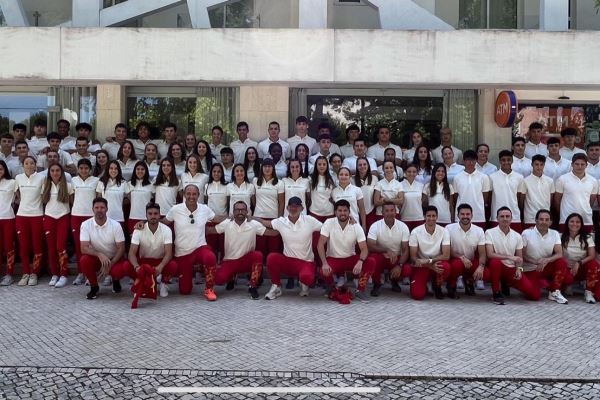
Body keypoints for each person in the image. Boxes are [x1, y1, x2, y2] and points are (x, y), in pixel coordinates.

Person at [256, 197, 323, 299]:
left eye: (297, 206)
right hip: (289, 262)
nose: (294, 208)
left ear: (302, 208)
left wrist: (348, 220)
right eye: (291, 206)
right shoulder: (281, 221)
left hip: (306, 262)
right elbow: (264, 222)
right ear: (287, 208)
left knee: (308, 278)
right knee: (272, 258)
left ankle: (303, 283)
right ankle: (276, 286)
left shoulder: (310, 220)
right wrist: (249, 217)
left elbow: (326, 227)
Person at [166, 185, 223, 299]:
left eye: (194, 194)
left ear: (198, 195)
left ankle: (209, 289)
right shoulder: (175, 209)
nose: (191, 196)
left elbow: (217, 218)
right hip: (183, 253)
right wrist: (144, 224)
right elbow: (164, 222)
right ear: (184, 195)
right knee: (185, 291)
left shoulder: (204, 209)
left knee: (210, 257)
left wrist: (235, 217)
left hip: (200, 248)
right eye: (188, 194)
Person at [317, 199, 376, 303]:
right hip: (333, 258)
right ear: (335, 212)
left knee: (371, 261)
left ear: (349, 212)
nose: (342, 213)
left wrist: (360, 261)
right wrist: (324, 263)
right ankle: (332, 287)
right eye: (340, 210)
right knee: (323, 270)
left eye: (345, 210)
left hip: (350, 258)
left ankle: (360, 290)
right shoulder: (329, 223)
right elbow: (320, 244)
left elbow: (364, 248)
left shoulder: (356, 226)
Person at [212, 201, 266, 300]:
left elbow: (271, 233)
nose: (240, 212)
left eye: (243, 210)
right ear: (233, 211)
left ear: (247, 212)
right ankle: (231, 278)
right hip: (230, 261)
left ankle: (253, 286)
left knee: (258, 255)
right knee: (219, 280)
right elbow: (212, 230)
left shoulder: (253, 224)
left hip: (246, 260)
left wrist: (284, 228)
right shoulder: (227, 223)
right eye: (237, 210)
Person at [485, 207, 539, 305]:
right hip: (496, 267)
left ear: (511, 218)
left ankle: (507, 283)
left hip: (511, 269)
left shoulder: (517, 236)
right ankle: (496, 293)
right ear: (497, 218)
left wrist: (519, 270)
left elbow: (519, 258)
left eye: (507, 216)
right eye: (502, 216)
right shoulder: (489, 232)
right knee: (495, 262)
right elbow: (490, 254)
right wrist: (509, 257)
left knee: (534, 295)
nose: (505, 219)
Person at [126, 202, 176, 307]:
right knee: (127, 266)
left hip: (159, 261)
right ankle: (139, 281)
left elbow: (169, 253)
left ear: (159, 215)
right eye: (150, 214)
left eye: (155, 213)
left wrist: (161, 267)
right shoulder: (138, 229)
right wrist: (136, 267)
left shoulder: (166, 230)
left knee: (173, 265)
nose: (153, 216)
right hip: (144, 262)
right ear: (146, 215)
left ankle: (163, 283)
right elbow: (131, 253)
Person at [79, 198, 129, 300]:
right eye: (96, 207)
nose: (99, 210)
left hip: (114, 258)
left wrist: (111, 263)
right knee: (84, 260)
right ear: (92, 209)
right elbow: (83, 248)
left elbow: (121, 248)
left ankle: (115, 280)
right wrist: (99, 254)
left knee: (121, 268)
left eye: (102, 207)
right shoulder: (85, 225)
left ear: (107, 209)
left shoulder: (116, 225)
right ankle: (94, 286)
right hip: (98, 259)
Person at [521, 209, 569, 304]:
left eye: (547, 220)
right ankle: (541, 283)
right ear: (536, 220)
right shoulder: (526, 233)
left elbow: (559, 253)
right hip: (529, 269)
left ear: (550, 222)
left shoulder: (554, 233)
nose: (544, 222)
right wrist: (536, 262)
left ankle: (554, 291)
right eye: (541, 219)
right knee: (534, 296)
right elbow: (521, 255)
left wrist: (547, 260)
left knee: (562, 263)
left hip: (545, 267)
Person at [408, 206, 453, 299]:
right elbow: (413, 257)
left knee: (446, 267)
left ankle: (437, 286)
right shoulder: (416, 232)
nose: (431, 218)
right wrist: (428, 265)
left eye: (433, 216)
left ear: (437, 217)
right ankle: (423, 285)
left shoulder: (444, 231)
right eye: (428, 216)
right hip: (422, 266)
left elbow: (446, 255)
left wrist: (429, 261)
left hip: (436, 263)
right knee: (417, 295)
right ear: (424, 217)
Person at [367, 202, 410, 296]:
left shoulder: (403, 226)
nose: (389, 213)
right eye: (386, 211)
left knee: (406, 269)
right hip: (381, 256)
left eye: (392, 210)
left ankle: (395, 281)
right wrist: (386, 250)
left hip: (396, 258)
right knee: (372, 259)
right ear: (382, 212)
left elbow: (406, 249)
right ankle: (377, 284)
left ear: (396, 212)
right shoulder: (375, 226)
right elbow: (370, 245)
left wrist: (400, 265)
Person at [15, 156, 45, 286]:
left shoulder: (41, 178)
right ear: (23, 165)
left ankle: (35, 273)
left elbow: (44, 196)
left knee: (37, 245)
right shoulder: (18, 178)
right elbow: (18, 195)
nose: (29, 165)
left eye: (31, 163)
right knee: (24, 246)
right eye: (26, 163)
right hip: (21, 216)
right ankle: (26, 272)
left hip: (37, 215)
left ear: (35, 165)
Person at [42, 163, 73, 288]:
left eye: (58, 170)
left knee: (61, 246)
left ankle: (63, 274)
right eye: (53, 171)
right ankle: (54, 274)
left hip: (63, 217)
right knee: (51, 248)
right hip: (49, 217)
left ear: (62, 172)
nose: (55, 173)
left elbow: (72, 202)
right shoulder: (45, 185)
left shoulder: (69, 186)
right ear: (49, 172)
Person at [447, 204, 487, 296]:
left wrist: (481, 267)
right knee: (457, 265)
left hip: (471, 261)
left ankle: (469, 282)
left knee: (486, 273)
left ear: (472, 215)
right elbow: (447, 250)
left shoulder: (479, 230)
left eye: (468, 214)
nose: (465, 216)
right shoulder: (449, 228)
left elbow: (482, 253)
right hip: (455, 260)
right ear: (458, 215)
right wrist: (461, 257)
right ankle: (451, 285)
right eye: (462, 214)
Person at [71, 159, 100, 285]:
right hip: (76, 216)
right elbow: (71, 198)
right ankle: (80, 273)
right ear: (78, 169)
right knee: (79, 246)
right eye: (81, 168)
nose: (83, 170)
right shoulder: (73, 181)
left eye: (86, 168)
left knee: (92, 246)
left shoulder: (96, 181)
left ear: (90, 169)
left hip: (90, 217)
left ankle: (91, 273)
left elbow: (98, 198)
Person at [560, 213, 600, 304]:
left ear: (581, 224)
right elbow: (559, 254)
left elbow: (592, 255)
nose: (575, 224)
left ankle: (588, 292)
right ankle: (567, 285)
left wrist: (578, 263)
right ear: (567, 223)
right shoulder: (560, 236)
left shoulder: (587, 237)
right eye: (572, 221)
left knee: (594, 264)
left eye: (578, 222)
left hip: (582, 267)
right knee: (564, 273)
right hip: (567, 268)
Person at [554, 153, 598, 233]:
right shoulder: (562, 179)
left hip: (586, 219)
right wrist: (562, 213)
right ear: (572, 164)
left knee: (587, 244)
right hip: (566, 219)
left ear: (586, 165)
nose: (580, 167)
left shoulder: (593, 181)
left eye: (582, 164)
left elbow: (591, 201)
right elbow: (557, 201)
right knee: (565, 244)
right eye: (577, 164)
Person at [253, 158, 284, 256]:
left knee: (273, 247)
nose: (267, 168)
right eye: (265, 166)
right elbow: (253, 199)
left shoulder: (279, 183)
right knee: (260, 246)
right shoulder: (255, 181)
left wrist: (279, 219)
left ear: (273, 168)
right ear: (262, 168)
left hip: (273, 218)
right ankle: (259, 268)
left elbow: (281, 202)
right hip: (258, 217)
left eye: (269, 166)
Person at [452, 150, 490, 229]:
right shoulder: (457, 177)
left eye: (473, 160)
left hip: (478, 215)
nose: (471, 163)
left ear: (476, 161)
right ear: (463, 161)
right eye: (468, 160)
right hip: (461, 216)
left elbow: (485, 197)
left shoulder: (484, 177)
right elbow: (455, 196)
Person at [488, 150, 524, 232]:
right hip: (496, 217)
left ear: (512, 161)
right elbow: (489, 197)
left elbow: (519, 197)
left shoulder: (519, 177)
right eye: (503, 160)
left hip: (514, 217)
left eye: (508, 160)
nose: (506, 162)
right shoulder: (492, 177)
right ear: (500, 161)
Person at [518, 155, 555, 229]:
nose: (539, 167)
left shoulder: (550, 181)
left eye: (541, 165)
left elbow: (551, 199)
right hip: (530, 218)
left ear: (544, 165)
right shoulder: (525, 181)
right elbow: (521, 201)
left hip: (545, 218)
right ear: (532, 164)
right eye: (536, 164)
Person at [204, 164, 228, 259]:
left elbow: (229, 203)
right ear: (211, 173)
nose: (216, 173)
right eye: (214, 171)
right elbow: (206, 202)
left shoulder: (227, 186)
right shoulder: (207, 186)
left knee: (223, 247)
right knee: (211, 247)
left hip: (223, 220)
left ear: (222, 173)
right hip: (210, 221)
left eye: (219, 171)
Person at [96, 161, 129, 228]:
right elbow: (98, 200)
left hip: (119, 217)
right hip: (104, 217)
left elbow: (129, 198)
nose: (113, 170)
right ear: (107, 169)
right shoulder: (101, 182)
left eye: (116, 168)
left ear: (119, 170)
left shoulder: (123, 183)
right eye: (111, 168)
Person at [127, 161, 155, 233]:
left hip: (147, 218)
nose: (140, 171)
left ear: (146, 171)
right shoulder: (129, 184)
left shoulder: (151, 185)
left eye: (142, 169)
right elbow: (129, 199)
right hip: (133, 217)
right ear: (134, 171)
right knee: (133, 242)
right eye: (138, 169)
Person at [0, 161, 16, 286]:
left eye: (0, 169)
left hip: (8, 218)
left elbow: (20, 196)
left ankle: (9, 274)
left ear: (5, 170)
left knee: (8, 247)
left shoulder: (12, 182)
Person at [398, 164, 426, 231]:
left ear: (416, 173)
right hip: (405, 218)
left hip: (419, 218)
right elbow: (398, 203)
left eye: (414, 172)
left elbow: (424, 202)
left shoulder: (421, 185)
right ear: (405, 172)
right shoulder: (399, 185)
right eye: (409, 171)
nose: (411, 174)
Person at [354, 157, 379, 229]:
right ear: (357, 167)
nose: (362, 166)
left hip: (371, 212)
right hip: (357, 213)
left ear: (368, 165)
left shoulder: (374, 178)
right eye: (360, 165)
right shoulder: (352, 180)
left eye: (364, 164)